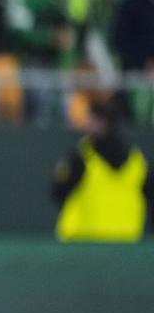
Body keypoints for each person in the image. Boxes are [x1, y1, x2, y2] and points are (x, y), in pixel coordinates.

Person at [53, 98, 151, 242]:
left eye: (90, 118)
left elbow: (58, 191)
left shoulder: (81, 157)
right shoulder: (138, 161)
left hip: (83, 242)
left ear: (102, 122)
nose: (86, 123)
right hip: (127, 244)